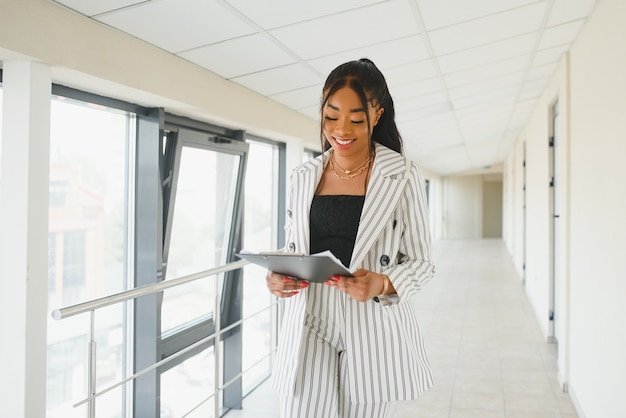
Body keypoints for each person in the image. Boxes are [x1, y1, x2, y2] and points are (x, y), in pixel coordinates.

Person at [265, 58, 435, 418]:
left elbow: (422, 262)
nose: (342, 129)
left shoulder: (402, 175)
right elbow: (295, 247)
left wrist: (385, 283)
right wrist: (279, 272)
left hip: (370, 321)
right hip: (312, 317)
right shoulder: (302, 176)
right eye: (331, 116)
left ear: (377, 116)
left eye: (356, 118)